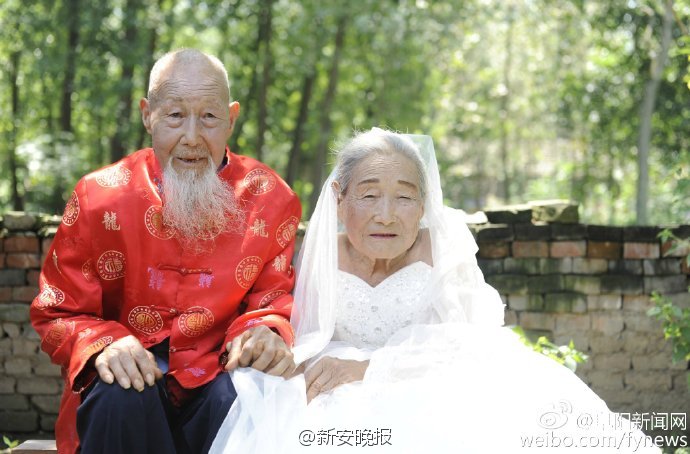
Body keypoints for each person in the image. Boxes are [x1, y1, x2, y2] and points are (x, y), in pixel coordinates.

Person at [210, 128, 661, 453]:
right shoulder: (314, 253)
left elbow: (473, 343)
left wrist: (373, 369)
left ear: (423, 205)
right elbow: (297, 329)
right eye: (369, 195)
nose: (386, 215)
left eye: (404, 197)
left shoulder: (444, 248)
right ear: (340, 198)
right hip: (329, 389)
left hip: (428, 380)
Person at [30, 49, 302, 454]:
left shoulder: (271, 199)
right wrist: (106, 342)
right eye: (175, 115)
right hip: (129, 387)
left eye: (209, 117)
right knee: (119, 395)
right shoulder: (99, 196)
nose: (192, 136)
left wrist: (263, 332)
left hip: (215, 377)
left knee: (248, 396)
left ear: (231, 118)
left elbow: (272, 300)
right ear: (147, 115)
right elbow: (56, 310)